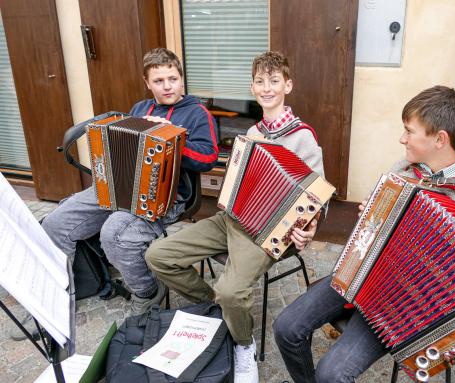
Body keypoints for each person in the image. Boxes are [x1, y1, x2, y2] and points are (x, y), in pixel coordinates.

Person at [272, 86, 455, 383]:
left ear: (439, 138)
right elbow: (371, 223)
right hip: (360, 275)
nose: (402, 138)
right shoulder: (406, 168)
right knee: (286, 327)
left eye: (409, 131)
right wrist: (370, 218)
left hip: (401, 304)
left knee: (331, 374)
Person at [146, 51, 324, 383]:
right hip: (231, 219)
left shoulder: (304, 137)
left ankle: (243, 342)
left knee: (232, 290)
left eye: (274, 81)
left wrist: (307, 229)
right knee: (158, 255)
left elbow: (315, 198)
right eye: (260, 82)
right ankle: (215, 306)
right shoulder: (252, 132)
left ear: (288, 85)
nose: (266, 88)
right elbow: (235, 180)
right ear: (252, 87)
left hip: (268, 233)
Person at [13, 48, 218, 335]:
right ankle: (56, 299)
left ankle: (146, 293)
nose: (167, 86)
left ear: (182, 79)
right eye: (159, 81)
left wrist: (172, 136)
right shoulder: (139, 109)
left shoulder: (198, 114)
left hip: (166, 196)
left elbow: (208, 159)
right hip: (119, 187)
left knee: (115, 234)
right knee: (56, 223)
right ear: (147, 82)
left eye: (173, 78)